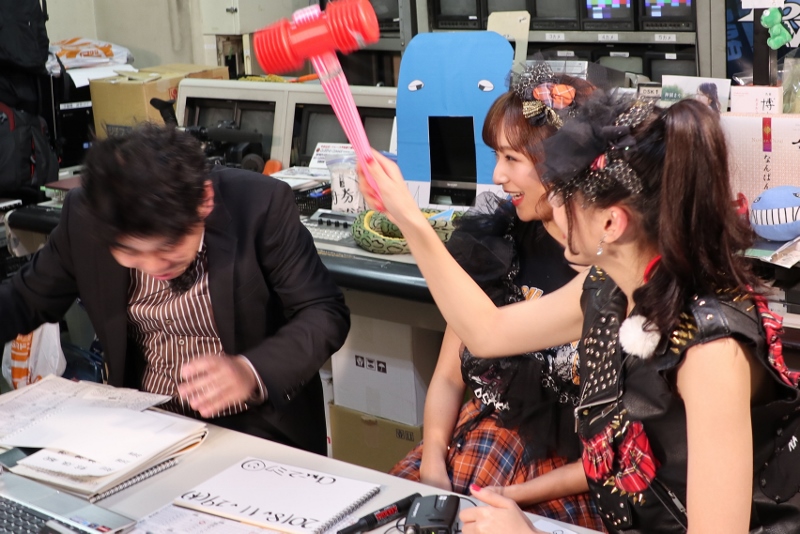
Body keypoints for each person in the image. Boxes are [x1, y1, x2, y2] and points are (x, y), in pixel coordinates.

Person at [359, 92, 800, 533]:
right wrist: (408, 217)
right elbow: (486, 331)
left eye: (563, 196)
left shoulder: (712, 353)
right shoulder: (608, 287)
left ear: (611, 223)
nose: (552, 207)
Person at [0, 124, 350, 455]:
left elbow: (324, 311)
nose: (154, 266)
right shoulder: (86, 216)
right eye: (131, 253)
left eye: (168, 247)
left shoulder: (260, 205)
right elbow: (23, 300)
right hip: (145, 422)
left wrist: (249, 370)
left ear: (204, 200)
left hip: (254, 425)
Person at [388, 65, 604, 531]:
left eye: (511, 158)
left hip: (562, 474)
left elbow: (618, 454)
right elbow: (449, 375)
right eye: (496, 156)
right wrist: (433, 456)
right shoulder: (495, 245)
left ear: (562, 163)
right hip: (474, 443)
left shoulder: (611, 276)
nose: (497, 175)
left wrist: (509, 495)